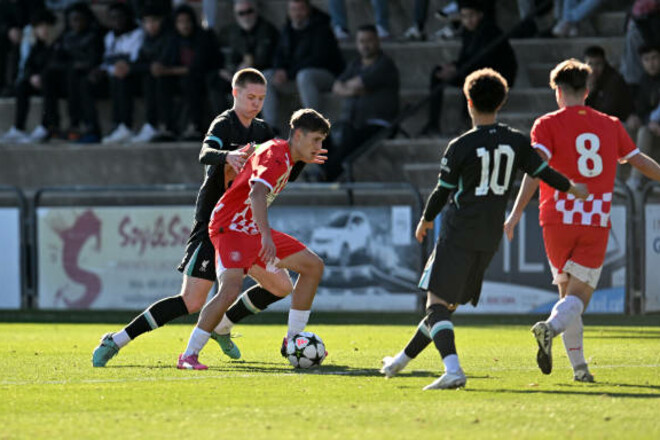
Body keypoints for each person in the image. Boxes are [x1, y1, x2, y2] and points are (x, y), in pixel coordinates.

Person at [379, 68, 588, 390]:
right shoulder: (517, 141)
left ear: (468, 101)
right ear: (502, 102)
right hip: (490, 235)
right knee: (444, 307)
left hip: (459, 229)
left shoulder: (461, 145)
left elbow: (442, 190)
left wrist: (426, 219)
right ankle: (399, 362)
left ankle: (453, 370)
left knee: (436, 306)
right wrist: (572, 188)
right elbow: (543, 171)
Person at [92, 69, 301, 367]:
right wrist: (226, 155)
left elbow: (282, 165)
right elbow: (205, 152)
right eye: (250, 97)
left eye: (261, 98)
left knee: (281, 287)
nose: (256, 103)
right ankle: (117, 339)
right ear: (235, 94)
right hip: (212, 224)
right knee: (191, 301)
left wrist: (302, 155)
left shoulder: (263, 132)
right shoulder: (225, 123)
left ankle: (221, 327)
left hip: (243, 226)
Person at [504, 59, 660, 382]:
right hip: (593, 216)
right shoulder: (610, 124)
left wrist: (517, 212)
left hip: (554, 218)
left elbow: (535, 170)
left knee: (568, 297)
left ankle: (580, 369)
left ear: (558, 92)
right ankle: (549, 328)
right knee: (578, 298)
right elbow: (639, 161)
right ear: (586, 92)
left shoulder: (545, 124)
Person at [177, 108, 330, 370]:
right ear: (299, 135)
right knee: (229, 290)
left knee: (313, 267)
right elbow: (257, 194)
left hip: (250, 228)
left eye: (321, 141)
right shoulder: (276, 156)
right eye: (315, 140)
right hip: (231, 226)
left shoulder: (284, 153)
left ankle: (293, 340)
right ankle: (188, 355)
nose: (319, 146)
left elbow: (256, 160)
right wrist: (267, 237)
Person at [422, 0, 517, 136]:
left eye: (471, 16)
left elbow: (483, 61)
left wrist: (458, 69)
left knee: (469, 78)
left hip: (497, 75)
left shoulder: (489, 30)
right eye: (464, 17)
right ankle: (433, 124)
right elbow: (466, 57)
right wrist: (452, 67)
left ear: (480, 15)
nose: (468, 20)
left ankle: (467, 123)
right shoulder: (468, 32)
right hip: (472, 69)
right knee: (438, 73)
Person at [327, 24, 399, 181]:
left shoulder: (384, 64)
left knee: (351, 137)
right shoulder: (355, 65)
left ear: (377, 41)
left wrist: (350, 88)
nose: (365, 45)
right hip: (354, 122)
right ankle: (327, 172)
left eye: (369, 41)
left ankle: (328, 174)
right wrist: (352, 90)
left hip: (379, 123)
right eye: (361, 41)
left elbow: (359, 84)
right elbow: (336, 87)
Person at [263, 0, 344, 132]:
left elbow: (318, 59)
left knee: (304, 76)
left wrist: (288, 73)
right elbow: (278, 54)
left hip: (325, 76)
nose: (297, 14)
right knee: (265, 77)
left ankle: (312, 125)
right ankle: (270, 129)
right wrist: (279, 69)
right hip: (295, 77)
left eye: (300, 9)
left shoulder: (321, 28)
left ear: (308, 10)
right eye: (293, 10)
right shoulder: (287, 29)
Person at [155, 4, 222, 140]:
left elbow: (196, 67)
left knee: (190, 81)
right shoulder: (173, 39)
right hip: (178, 78)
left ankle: (195, 126)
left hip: (203, 78)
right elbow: (165, 62)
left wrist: (167, 71)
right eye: (180, 22)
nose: (185, 25)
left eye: (187, 21)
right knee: (162, 83)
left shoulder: (202, 37)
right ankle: (167, 127)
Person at [43, 1, 104, 143]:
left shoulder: (96, 35)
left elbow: (95, 60)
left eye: (79, 20)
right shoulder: (65, 37)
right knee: (48, 75)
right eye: (73, 20)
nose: (76, 24)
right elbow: (55, 59)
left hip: (91, 80)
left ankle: (84, 126)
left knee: (77, 77)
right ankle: (52, 125)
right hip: (70, 80)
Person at [0, 9, 57, 144]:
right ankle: (18, 128)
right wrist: (31, 77)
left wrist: (42, 76)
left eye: (46, 26)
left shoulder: (58, 45)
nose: (43, 30)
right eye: (39, 27)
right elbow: (28, 66)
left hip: (55, 83)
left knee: (48, 82)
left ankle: (46, 126)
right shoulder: (37, 45)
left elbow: (56, 67)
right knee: (22, 86)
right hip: (38, 82)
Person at [212, 0, 279, 115]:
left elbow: (265, 58)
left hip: (258, 73)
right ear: (236, 15)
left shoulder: (267, 30)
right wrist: (225, 71)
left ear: (256, 11)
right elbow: (221, 55)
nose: (246, 16)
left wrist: (247, 66)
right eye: (241, 13)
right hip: (233, 74)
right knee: (214, 81)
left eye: (249, 11)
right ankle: (223, 125)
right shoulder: (229, 32)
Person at [99, 2, 145, 144]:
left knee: (122, 78)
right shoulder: (109, 37)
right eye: (113, 18)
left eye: (120, 17)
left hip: (136, 77)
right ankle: (115, 125)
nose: (117, 22)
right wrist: (113, 67)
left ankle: (125, 125)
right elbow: (107, 61)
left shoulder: (138, 34)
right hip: (115, 75)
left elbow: (134, 59)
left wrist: (120, 66)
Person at [129, 4, 173, 143]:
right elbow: (138, 63)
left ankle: (164, 125)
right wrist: (150, 67)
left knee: (158, 79)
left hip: (170, 76)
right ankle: (149, 124)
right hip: (151, 76)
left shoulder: (170, 37)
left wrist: (158, 67)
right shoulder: (145, 40)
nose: (151, 25)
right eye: (147, 22)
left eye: (154, 21)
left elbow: (169, 59)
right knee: (147, 77)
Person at [626, 44, 660, 189]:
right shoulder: (644, 81)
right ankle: (621, 181)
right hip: (652, 129)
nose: (651, 63)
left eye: (654, 58)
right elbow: (641, 110)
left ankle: (635, 179)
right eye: (647, 59)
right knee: (625, 128)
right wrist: (635, 117)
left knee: (644, 132)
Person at [584, 45, 633, 122]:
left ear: (604, 63)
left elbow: (608, 111)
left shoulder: (614, 80)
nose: (593, 69)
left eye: (597, 64)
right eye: (590, 64)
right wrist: (588, 94)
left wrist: (593, 92)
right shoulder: (584, 78)